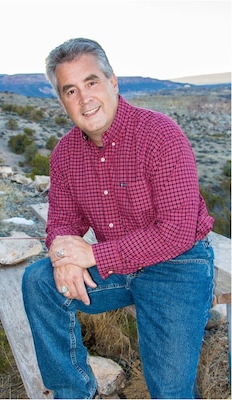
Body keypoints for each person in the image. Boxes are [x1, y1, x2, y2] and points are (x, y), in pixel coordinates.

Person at [22, 38, 215, 399]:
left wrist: (92, 256)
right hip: (119, 266)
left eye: (91, 82)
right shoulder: (65, 154)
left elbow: (175, 232)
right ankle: (73, 392)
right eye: (70, 90)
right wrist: (63, 253)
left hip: (177, 263)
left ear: (113, 82)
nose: (84, 99)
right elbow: (61, 221)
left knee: (169, 391)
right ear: (62, 100)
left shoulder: (161, 135)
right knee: (39, 281)